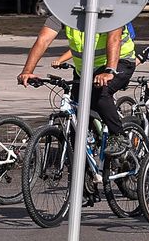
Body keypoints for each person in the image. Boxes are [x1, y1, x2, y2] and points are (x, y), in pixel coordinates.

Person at [16, 12, 138, 156]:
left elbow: (114, 38)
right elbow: (43, 39)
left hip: (119, 62)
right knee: (76, 118)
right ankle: (84, 171)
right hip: (85, 69)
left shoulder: (107, 8)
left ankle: (119, 136)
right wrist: (27, 70)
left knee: (101, 95)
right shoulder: (62, 9)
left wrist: (109, 70)